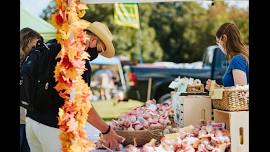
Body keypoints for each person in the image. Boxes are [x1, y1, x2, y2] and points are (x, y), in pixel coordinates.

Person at [24, 20, 123, 152]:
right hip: (53, 129)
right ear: (93, 40)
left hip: (31, 122)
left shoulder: (54, 43)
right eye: (99, 50)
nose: (96, 54)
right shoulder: (79, 60)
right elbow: (81, 104)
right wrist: (107, 130)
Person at [206, 23, 249, 90]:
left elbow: (240, 92)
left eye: (218, 42)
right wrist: (218, 87)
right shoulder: (242, 57)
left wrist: (216, 89)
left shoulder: (237, 59)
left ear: (224, 38)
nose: (218, 45)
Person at [20, 27, 43, 152]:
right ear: (25, 43)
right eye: (33, 47)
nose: (36, 51)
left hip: (29, 121)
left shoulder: (32, 64)